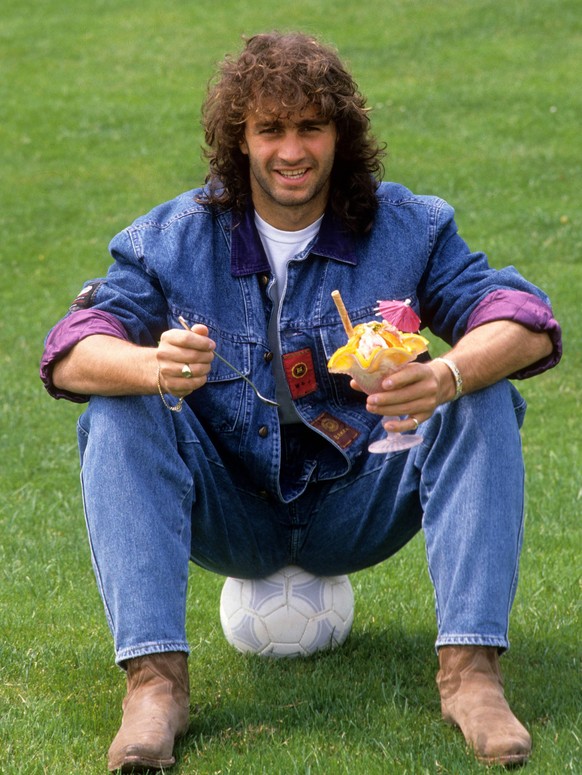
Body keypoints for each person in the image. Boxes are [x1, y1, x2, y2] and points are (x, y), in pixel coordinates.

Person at [41, 31, 561, 771]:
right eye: (271, 129)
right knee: (119, 403)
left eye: (311, 127)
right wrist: (150, 363)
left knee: (479, 394)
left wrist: (444, 375)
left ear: (340, 136)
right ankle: (154, 685)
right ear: (240, 141)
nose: (292, 149)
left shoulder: (410, 226)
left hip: (361, 500)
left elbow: (524, 319)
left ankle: (471, 675)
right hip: (230, 511)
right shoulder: (171, 238)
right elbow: (71, 347)